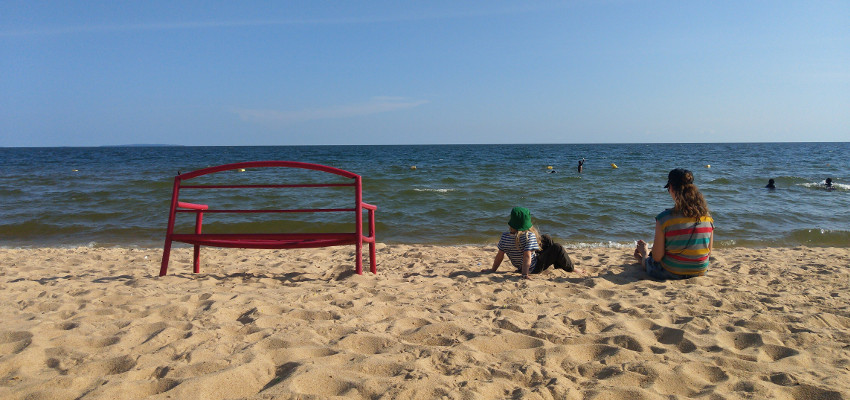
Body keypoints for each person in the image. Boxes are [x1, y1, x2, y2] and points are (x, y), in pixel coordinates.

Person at [633, 168, 715, 280]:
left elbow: (657, 257)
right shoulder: (707, 217)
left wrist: (645, 253)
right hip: (700, 270)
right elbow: (708, 252)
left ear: (671, 188)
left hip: (671, 271)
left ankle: (643, 255)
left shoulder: (664, 218)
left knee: (650, 261)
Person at [490, 207, 540, 279]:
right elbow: (527, 256)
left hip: (520, 267)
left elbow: (500, 255)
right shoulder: (529, 236)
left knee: (546, 239)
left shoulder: (505, 237)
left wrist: (493, 270)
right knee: (557, 248)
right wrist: (525, 274)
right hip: (533, 267)